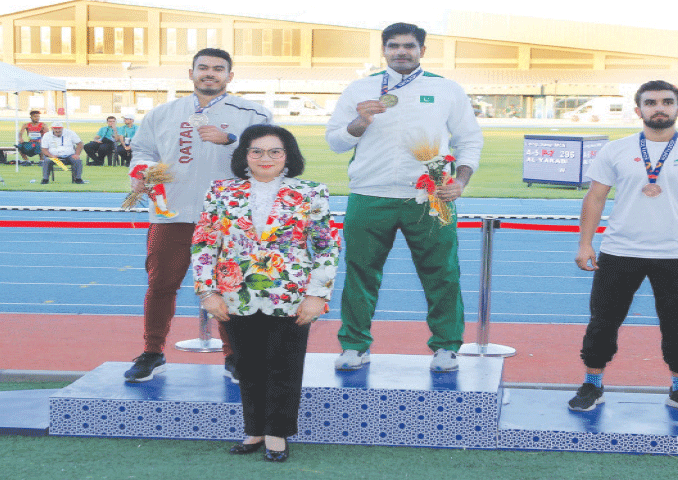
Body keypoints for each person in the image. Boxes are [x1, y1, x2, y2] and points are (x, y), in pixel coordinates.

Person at [325, 22, 482, 372]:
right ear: (383, 50)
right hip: (369, 194)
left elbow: (470, 139)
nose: (401, 51)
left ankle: (446, 346)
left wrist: (461, 181)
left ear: (422, 50)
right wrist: (359, 123)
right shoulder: (360, 88)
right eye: (393, 46)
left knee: (442, 273)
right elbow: (335, 141)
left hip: (429, 197)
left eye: (409, 46)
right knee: (360, 272)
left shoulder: (446, 90)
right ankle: (354, 344)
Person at [570, 80, 678, 416]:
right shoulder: (615, 149)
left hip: (677, 254)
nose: (660, 107)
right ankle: (592, 384)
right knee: (603, 322)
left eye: (667, 102)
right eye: (651, 102)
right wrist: (585, 243)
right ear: (638, 110)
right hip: (619, 252)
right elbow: (595, 197)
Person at [123, 48, 273, 383]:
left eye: (218, 69)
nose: (210, 73)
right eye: (203, 68)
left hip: (228, 218)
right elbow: (144, 151)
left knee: (229, 288)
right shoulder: (162, 114)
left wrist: (231, 141)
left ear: (230, 76)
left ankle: (234, 356)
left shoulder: (254, 114)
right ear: (190, 73)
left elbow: (274, 158)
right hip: (171, 214)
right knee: (160, 285)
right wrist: (139, 171)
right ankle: (152, 353)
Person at [192, 124, 339, 461]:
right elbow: (204, 242)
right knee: (247, 366)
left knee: (285, 367)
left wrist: (318, 295)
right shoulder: (221, 191)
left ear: (288, 156)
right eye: (256, 151)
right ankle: (254, 430)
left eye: (275, 151)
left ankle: (277, 434)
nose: (265, 158)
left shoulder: (311, 192)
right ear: (245, 155)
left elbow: (326, 246)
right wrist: (206, 292)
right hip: (235, 295)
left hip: (290, 295)